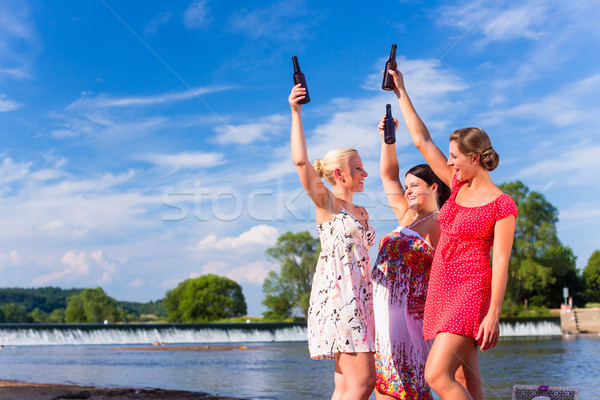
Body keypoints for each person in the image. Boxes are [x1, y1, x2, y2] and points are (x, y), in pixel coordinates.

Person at [388, 69, 517, 400]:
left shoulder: (503, 205)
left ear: (475, 158)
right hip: (441, 290)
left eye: (455, 157)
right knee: (467, 378)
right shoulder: (457, 185)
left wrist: (494, 314)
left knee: (436, 375)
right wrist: (401, 91)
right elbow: (422, 140)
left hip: (471, 291)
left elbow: (501, 261)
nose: (449, 163)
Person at [289, 83, 377, 400]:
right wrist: (296, 112)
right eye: (358, 168)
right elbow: (301, 162)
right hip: (341, 300)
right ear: (339, 174)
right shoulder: (327, 204)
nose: (365, 172)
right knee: (364, 382)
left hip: (361, 299)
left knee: (344, 386)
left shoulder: (361, 210)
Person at [373, 115, 451, 400]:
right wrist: (387, 139)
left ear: (434, 187)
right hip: (382, 316)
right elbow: (387, 176)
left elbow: (451, 271)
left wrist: (433, 305)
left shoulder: (442, 220)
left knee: (410, 386)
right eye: (407, 187)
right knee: (384, 385)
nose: (407, 190)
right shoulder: (405, 216)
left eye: (414, 185)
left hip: (410, 317)